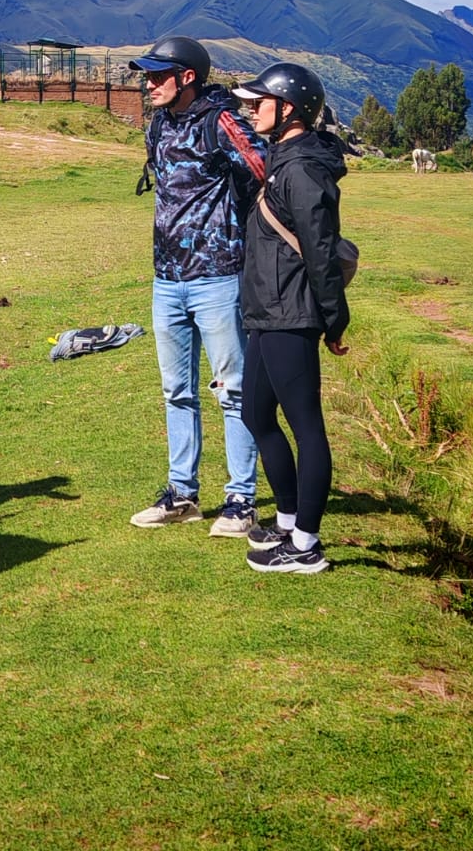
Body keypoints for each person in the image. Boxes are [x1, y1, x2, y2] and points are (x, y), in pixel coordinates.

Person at [127, 35, 267, 535]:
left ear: (187, 77)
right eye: (146, 76)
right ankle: (182, 494)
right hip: (167, 279)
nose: (148, 84)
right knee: (176, 390)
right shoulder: (159, 123)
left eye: (157, 76)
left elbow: (263, 173)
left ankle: (241, 500)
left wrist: (241, 237)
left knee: (232, 390)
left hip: (218, 278)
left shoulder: (220, 121)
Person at [231, 63, 349, 574]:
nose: (252, 108)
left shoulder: (300, 169)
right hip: (266, 311)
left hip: (290, 314)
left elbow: (320, 251)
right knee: (256, 416)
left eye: (260, 102)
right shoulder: (282, 160)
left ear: (289, 110)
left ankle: (305, 545)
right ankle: (285, 521)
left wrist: (333, 319)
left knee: (307, 427)